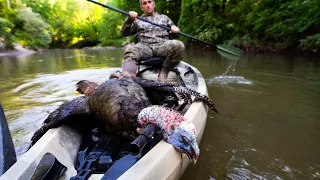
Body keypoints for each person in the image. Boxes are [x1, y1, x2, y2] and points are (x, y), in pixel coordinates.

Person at [120, 0, 185, 82]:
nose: (148, 5)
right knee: (130, 49)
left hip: (162, 45)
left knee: (179, 45)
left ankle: (164, 71)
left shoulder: (164, 18)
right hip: (145, 47)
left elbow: (175, 30)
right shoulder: (137, 20)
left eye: (149, 2)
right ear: (141, 7)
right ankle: (128, 77)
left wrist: (176, 29)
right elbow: (123, 33)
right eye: (144, 3)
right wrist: (129, 19)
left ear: (153, 3)